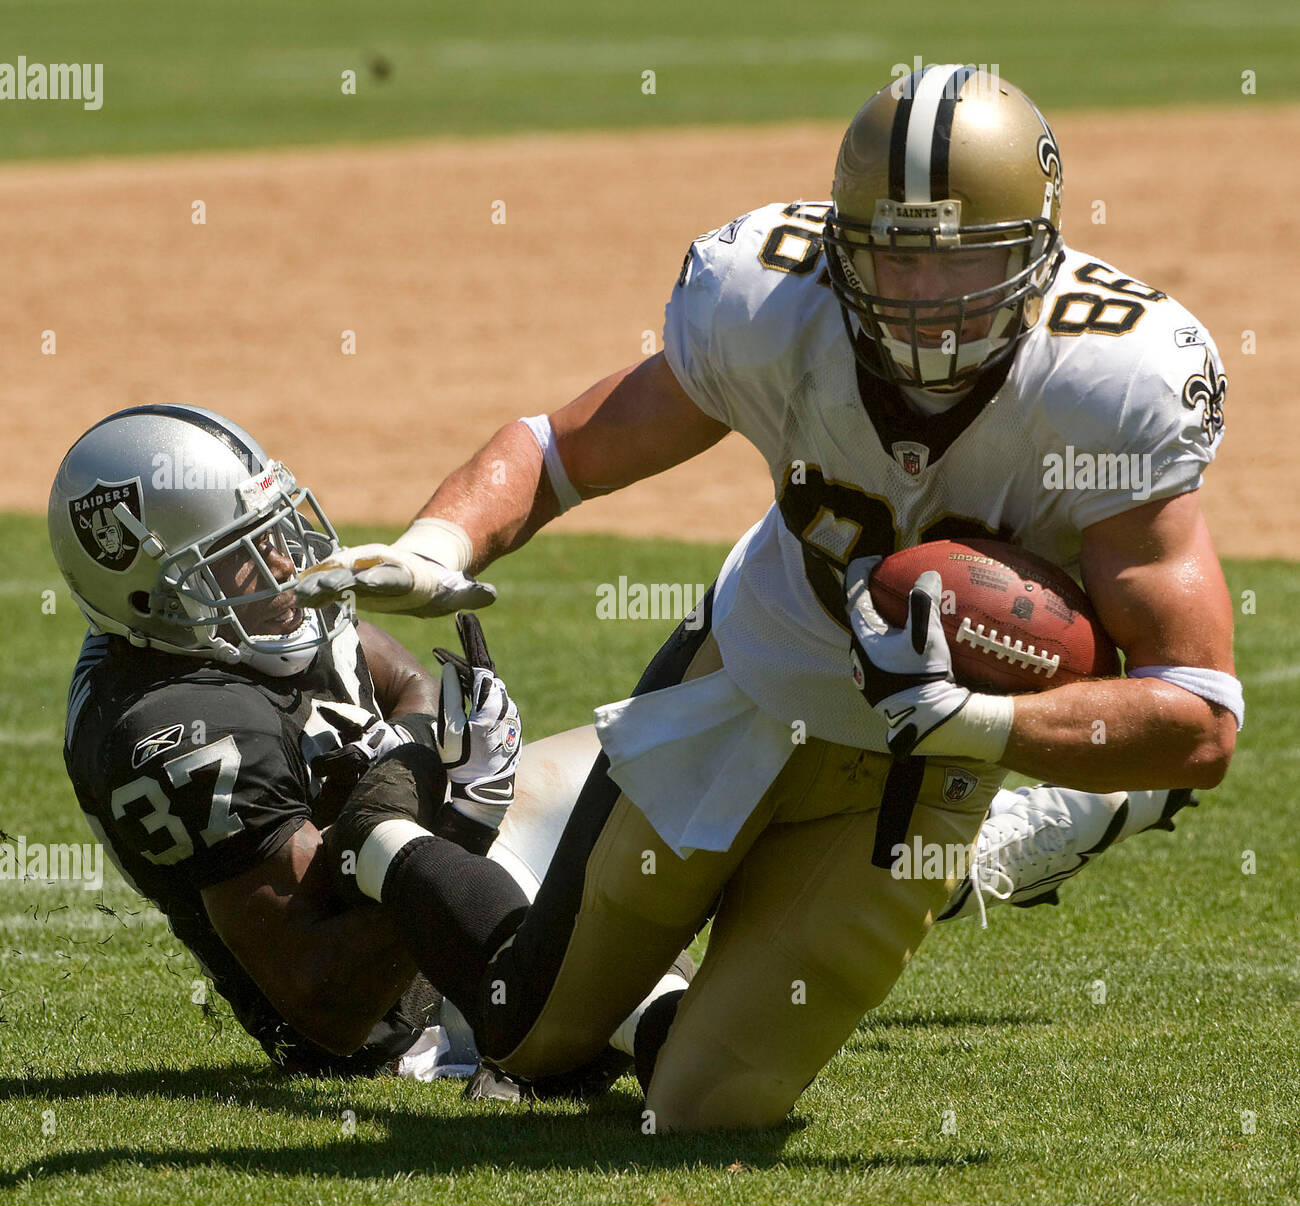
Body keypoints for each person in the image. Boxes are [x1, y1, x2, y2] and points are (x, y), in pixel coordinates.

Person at [296, 66, 1238, 1130]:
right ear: (837, 246)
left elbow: (1198, 711)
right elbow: (567, 447)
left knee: (703, 1114)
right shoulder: (763, 299)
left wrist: (975, 721)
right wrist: (442, 536)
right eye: (891, 258)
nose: (920, 299)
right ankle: (459, 823)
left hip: (917, 769)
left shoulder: (1114, 382)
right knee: (530, 1036)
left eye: (960, 263)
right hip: (745, 677)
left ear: (1036, 255)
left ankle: (1055, 810)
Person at [49, 403, 541, 1084]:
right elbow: (328, 1002)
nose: (281, 563)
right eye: (236, 559)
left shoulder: (229, 624)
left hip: (420, 898)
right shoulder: (171, 729)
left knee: (622, 784)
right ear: (150, 595)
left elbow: (407, 682)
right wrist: (462, 815)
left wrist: (397, 783)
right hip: (402, 1022)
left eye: (273, 530)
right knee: (603, 927)